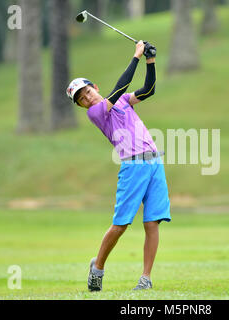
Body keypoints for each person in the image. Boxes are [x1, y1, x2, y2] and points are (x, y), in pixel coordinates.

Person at [66, 41, 171, 292]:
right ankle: (98, 267)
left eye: (88, 92)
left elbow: (148, 90)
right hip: (133, 167)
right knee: (121, 224)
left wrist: (150, 60)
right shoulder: (97, 113)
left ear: (95, 87)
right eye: (81, 99)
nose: (87, 98)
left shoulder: (124, 100)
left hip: (154, 162)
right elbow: (119, 87)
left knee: (152, 222)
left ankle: (145, 278)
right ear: (81, 106)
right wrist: (135, 56)